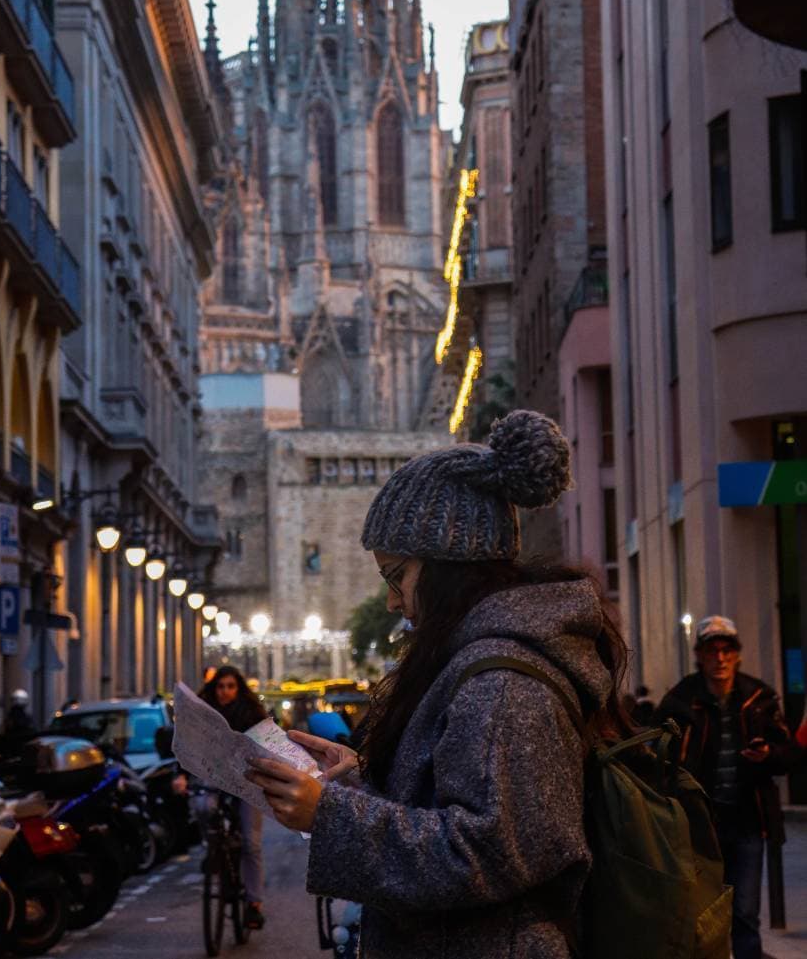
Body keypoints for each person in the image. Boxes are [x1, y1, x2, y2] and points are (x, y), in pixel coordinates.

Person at [247, 409, 630, 958]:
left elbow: (488, 854)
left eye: (396, 575)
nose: (392, 601)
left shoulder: (501, 684)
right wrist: (355, 784)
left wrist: (329, 816)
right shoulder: (473, 665)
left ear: (449, 564)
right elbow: (454, 808)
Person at [655, 615, 800, 959]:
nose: (719, 659)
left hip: (748, 821)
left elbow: (789, 754)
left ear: (736, 655)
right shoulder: (680, 699)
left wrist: (767, 755)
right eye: (712, 650)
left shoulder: (759, 697)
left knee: (745, 913)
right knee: (700, 913)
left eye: (726, 650)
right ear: (700, 655)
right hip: (699, 825)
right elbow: (656, 752)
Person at [198, 665, 267, 930]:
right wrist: (180, 775)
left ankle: (254, 904)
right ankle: (212, 849)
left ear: (238, 689)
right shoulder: (203, 713)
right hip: (215, 780)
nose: (225, 692)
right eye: (220, 686)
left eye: (230, 686)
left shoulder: (252, 714)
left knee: (251, 843)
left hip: (247, 782)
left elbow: (264, 745)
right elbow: (189, 746)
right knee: (203, 805)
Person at [0, 688, 38, 758]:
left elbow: (1, 734)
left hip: (12, 753)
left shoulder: (10, 718)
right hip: (19, 753)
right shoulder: (26, 719)